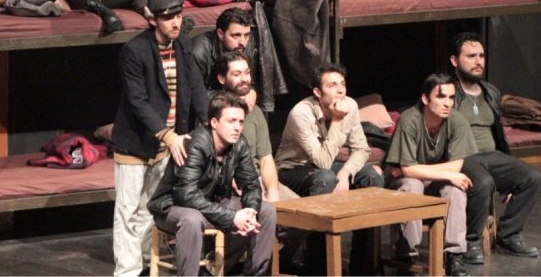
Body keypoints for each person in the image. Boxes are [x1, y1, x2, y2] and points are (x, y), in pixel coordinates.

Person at [110, 0, 209, 277]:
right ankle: (127, 272)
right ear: (153, 20)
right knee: (128, 210)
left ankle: (143, 262)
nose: (176, 23)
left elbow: (195, 86)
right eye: (168, 18)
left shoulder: (183, 44)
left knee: (149, 207)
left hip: (169, 142)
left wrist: (207, 124)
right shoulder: (134, 50)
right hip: (136, 142)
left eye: (178, 16)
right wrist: (166, 134)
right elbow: (137, 100)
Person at [147, 92, 276, 276]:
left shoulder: (239, 144)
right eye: (231, 121)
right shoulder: (194, 143)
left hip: (212, 203)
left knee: (267, 210)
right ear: (214, 123)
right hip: (172, 206)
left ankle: (256, 273)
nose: (237, 127)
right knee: (192, 219)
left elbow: (252, 185)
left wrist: (250, 211)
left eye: (241, 122)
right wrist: (232, 217)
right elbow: (186, 195)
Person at [274, 63, 384, 275]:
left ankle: (364, 267)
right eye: (332, 85)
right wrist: (337, 121)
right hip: (292, 169)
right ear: (317, 92)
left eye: (342, 84)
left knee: (371, 177)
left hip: (327, 166)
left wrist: (346, 172)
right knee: (325, 179)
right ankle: (319, 267)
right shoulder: (301, 113)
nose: (340, 90)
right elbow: (322, 162)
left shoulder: (350, 105)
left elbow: (362, 149)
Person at [450, 32, 541, 263]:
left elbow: (498, 133)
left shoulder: (490, 91)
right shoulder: (448, 92)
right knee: (483, 183)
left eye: (481, 56)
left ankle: (508, 236)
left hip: (491, 155)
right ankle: (470, 242)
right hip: (463, 156)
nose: (478, 61)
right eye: (471, 56)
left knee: (531, 177)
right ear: (455, 60)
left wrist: (509, 171)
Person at [214, 51, 306, 273]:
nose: (244, 78)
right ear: (222, 78)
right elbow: (220, 162)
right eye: (237, 74)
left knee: (303, 215)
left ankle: (274, 261)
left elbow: (266, 158)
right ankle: (224, 266)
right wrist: (254, 195)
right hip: (231, 184)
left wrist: (272, 192)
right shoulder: (215, 110)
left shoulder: (255, 112)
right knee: (255, 216)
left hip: (258, 179)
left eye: (246, 73)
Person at [384, 73, 477, 276]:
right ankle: (406, 255)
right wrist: (445, 173)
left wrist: (421, 169)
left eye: (451, 97)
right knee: (412, 185)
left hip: (434, 181)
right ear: (425, 99)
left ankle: (454, 255)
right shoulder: (410, 119)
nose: (448, 103)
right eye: (441, 97)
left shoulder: (458, 121)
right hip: (403, 181)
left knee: (455, 189)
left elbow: (456, 167)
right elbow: (407, 171)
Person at [192, 7, 257, 91]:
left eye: (246, 35)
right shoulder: (199, 53)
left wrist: (251, 92)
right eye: (236, 35)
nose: (242, 42)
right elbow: (195, 94)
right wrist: (229, 96)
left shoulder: (246, 44)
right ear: (220, 34)